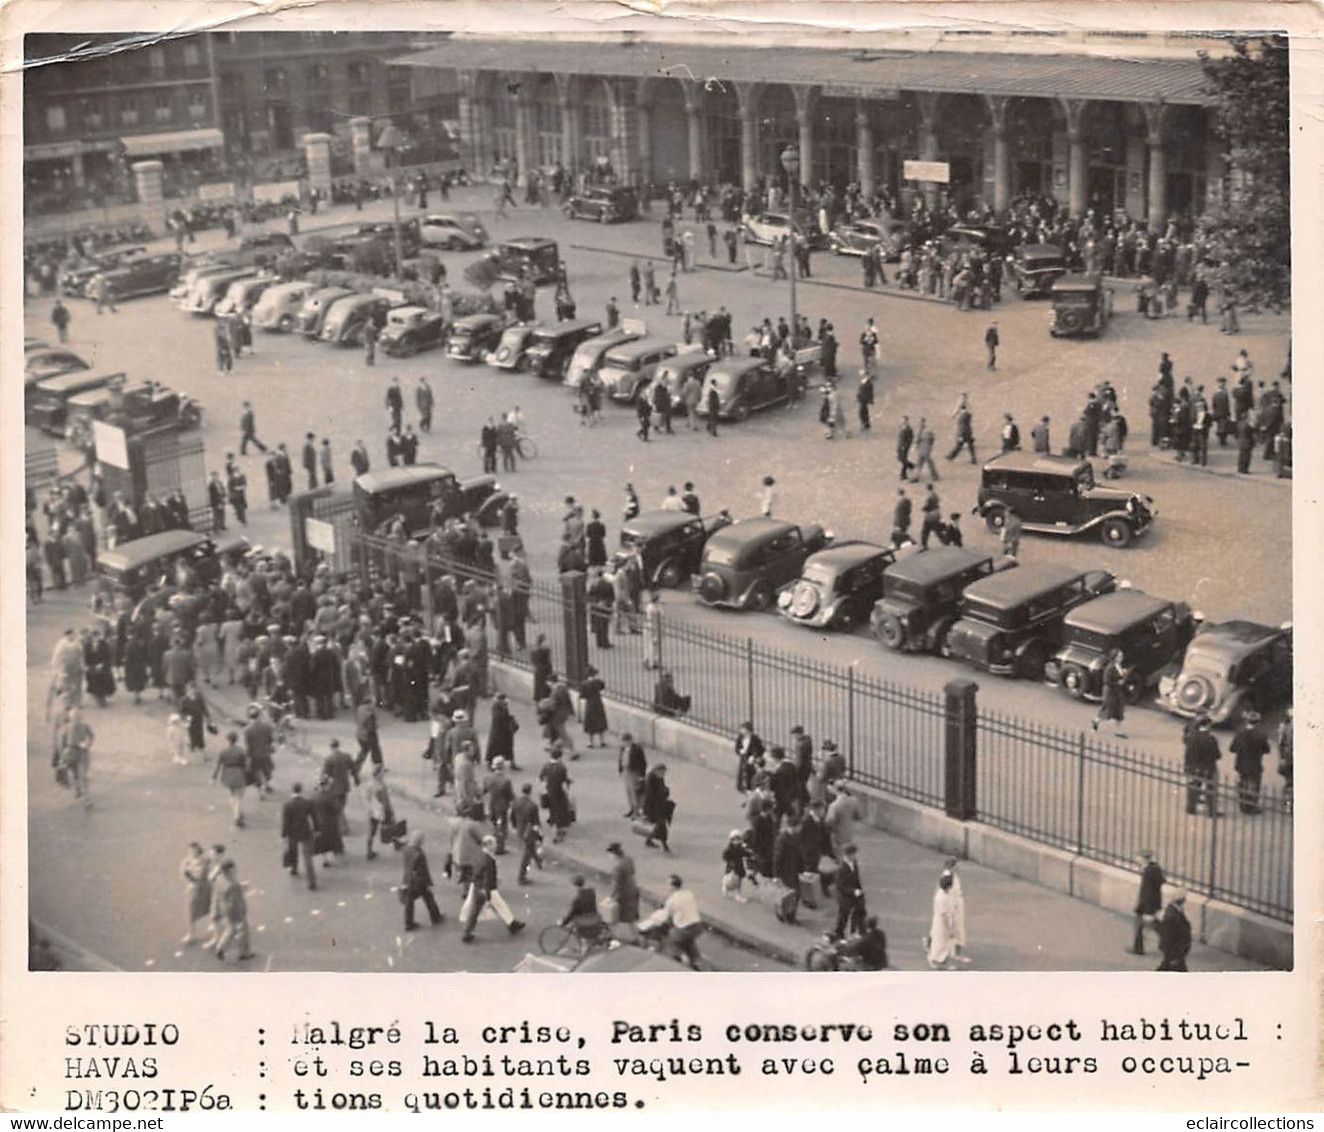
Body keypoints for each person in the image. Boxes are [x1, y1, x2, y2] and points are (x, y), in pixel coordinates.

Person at [460, 835, 525, 943]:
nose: (496, 846)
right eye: (494, 844)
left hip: (479, 885)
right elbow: (487, 877)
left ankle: (511, 923)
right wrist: (487, 894)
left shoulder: (479, 854)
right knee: (476, 910)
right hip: (486, 888)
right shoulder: (489, 860)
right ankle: (466, 933)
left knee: (498, 905)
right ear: (489, 845)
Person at [638, 874, 703, 969]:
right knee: (689, 941)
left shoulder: (672, 900)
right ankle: (696, 960)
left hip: (684, 928)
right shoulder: (689, 893)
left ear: (672, 886)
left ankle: (684, 961)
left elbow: (664, 916)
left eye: (668, 884)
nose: (666, 887)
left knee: (672, 942)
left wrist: (653, 919)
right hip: (697, 925)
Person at [211, 860, 255, 962]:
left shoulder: (220, 880)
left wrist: (240, 887)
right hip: (235, 910)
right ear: (230, 870)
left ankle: (220, 948)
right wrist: (242, 910)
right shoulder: (232, 883)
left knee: (231, 929)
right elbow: (235, 899)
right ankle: (244, 952)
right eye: (234, 869)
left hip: (226, 908)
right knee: (243, 930)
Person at [401, 831, 443, 931]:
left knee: (409, 902)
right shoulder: (419, 854)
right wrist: (429, 883)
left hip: (408, 879)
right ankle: (435, 917)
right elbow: (424, 870)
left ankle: (408, 923)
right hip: (419, 881)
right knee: (429, 898)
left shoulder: (406, 850)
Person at [281, 781, 319, 889]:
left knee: (293, 851)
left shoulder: (287, 805)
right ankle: (311, 882)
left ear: (292, 791)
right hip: (306, 831)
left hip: (292, 833)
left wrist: (284, 835)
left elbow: (285, 822)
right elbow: (314, 817)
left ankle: (294, 868)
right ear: (301, 790)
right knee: (308, 857)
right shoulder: (308, 803)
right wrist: (317, 829)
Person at [1230, 710, 1270, 815]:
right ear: (1257, 722)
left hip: (1241, 764)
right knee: (1254, 785)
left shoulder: (1240, 733)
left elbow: (1232, 748)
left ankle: (1243, 805)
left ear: (1246, 721)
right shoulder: (1261, 735)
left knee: (1242, 783)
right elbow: (1267, 750)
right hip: (1255, 764)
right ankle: (1252, 807)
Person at [1183, 714, 1221, 817]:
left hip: (1193, 766)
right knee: (1210, 788)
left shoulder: (1191, 737)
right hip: (1208, 767)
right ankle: (1211, 811)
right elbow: (1217, 755)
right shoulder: (1211, 739)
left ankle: (1191, 808)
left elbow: (1188, 753)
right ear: (1208, 726)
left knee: (1194, 787)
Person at [1130, 849, 1166, 955]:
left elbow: (1148, 891)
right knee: (1152, 925)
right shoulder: (1153, 869)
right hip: (1150, 903)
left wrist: (1146, 908)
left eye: (1138, 858)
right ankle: (1138, 948)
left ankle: (1138, 949)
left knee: (1145, 924)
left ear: (1144, 858)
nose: (1136, 860)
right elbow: (1162, 881)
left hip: (1147, 904)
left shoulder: (1150, 871)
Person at [211, 731, 249, 827]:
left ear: (228, 740)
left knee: (233, 795)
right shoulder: (241, 751)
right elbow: (247, 766)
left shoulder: (223, 752)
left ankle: (236, 813)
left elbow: (218, 766)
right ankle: (237, 815)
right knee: (239, 796)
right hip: (239, 774)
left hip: (227, 775)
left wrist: (214, 778)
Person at [925, 870, 961, 969]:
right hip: (942, 922)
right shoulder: (941, 897)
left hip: (943, 920)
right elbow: (943, 913)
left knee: (942, 941)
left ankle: (939, 959)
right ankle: (935, 959)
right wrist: (949, 927)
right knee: (941, 941)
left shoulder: (944, 894)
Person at [1091, 648, 1128, 738]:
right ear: (1114, 657)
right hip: (1110, 692)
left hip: (1118, 691)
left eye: (1121, 656)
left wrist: (1124, 674)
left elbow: (1120, 677)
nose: (1121, 658)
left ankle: (1118, 731)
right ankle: (1096, 721)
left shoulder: (1118, 666)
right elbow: (1106, 680)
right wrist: (1118, 682)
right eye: (1119, 656)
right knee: (1108, 710)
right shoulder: (1110, 667)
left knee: (1119, 710)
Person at [180, 842, 212, 945]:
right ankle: (191, 933)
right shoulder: (188, 859)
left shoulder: (203, 861)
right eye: (190, 850)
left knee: (207, 906)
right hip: (195, 887)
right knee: (193, 910)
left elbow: (199, 877)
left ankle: (192, 934)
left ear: (198, 850)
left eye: (194, 850)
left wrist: (188, 875)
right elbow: (183, 870)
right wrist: (186, 874)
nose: (191, 852)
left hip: (201, 887)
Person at [832, 843, 866, 940]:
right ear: (848, 855)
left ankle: (857, 930)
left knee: (860, 909)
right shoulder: (841, 869)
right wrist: (853, 891)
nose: (855, 856)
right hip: (844, 894)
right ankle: (839, 932)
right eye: (853, 854)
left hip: (855, 891)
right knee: (844, 912)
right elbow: (840, 886)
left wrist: (859, 890)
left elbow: (856, 878)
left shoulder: (854, 863)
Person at [539, 748, 573, 843]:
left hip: (549, 791)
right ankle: (558, 831)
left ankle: (552, 820)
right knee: (560, 809)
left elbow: (541, 777)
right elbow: (564, 779)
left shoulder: (546, 766)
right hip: (558, 791)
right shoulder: (561, 767)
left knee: (552, 808)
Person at [1156, 889, 1192, 971]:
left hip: (1177, 953)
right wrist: (1173, 956)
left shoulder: (1175, 911)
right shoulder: (1172, 916)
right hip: (1175, 953)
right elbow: (1167, 938)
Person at [559, 874, 604, 940]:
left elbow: (572, 913)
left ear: (575, 886)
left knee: (577, 929)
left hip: (585, 921)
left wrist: (563, 922)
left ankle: (583, 945)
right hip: (594, 916)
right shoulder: (591, 893)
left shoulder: (577, 899)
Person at [607, 841, 641, 923]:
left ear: (614, 854)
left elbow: (616, 884)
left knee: (619, 916)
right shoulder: (629, 859)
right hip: (633, 887)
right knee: (632, 915)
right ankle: (634, 932)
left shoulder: (617, 867)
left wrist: (611, 896)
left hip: (624, 893)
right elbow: (633, 871)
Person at [642, 763, 673, 852]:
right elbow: (650, 795)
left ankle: (649, 840)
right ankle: (665, 845)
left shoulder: (659, 778)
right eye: (662, 772)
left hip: (659, 806)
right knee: (661, 826)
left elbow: (662, 789)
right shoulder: (650, 779)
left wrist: (666, 790)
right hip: (653, 807)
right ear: (657, 771)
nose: (663, 774)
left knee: (657, 825)